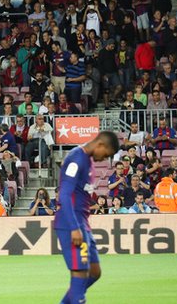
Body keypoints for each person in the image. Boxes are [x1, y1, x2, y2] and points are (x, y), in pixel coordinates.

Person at [54, 130, 119, 304]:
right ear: (100, 145)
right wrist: (74, 228)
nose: (104, 159)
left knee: (94, 272)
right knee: (80, 274)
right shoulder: (76, 158)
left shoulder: (88, 161)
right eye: (106, 155)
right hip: (71, 223)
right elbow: (65, 194)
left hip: (83, 224)